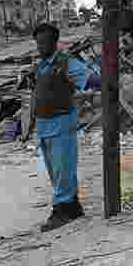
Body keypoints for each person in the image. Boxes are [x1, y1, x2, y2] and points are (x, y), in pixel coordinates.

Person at [27, 22, 89, 232]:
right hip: (44, 125)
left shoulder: (66, 63)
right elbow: (36, 95)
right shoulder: (39, 66)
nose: (40, 47)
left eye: (44, 43)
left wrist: (104, 84)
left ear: (54, 43)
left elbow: (88, 79)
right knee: (56, 170)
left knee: (64, 167)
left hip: (62, 122)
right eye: (38, 43)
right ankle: (72, 206)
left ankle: (61, 210)